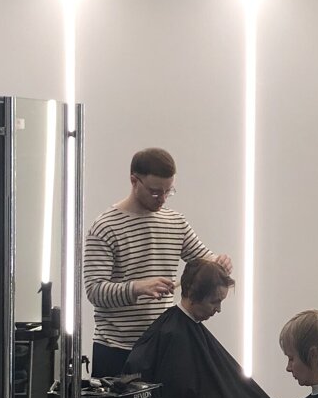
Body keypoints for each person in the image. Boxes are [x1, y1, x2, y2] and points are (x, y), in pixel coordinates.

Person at [83, 148, 231, 377]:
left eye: (168, 191)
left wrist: (218, 262)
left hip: (162, 347)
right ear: (134, 181)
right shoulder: (105, 227)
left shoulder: (175, 222)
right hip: (117, 350)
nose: (162, 199)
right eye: (154, 192)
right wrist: (137, 287)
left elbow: (202, 257)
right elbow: (94, 291)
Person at [124, 258, 283, 398]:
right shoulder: (171, 335)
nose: (218, 309)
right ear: (193, 294)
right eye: (215, 302)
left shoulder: (183, 329)